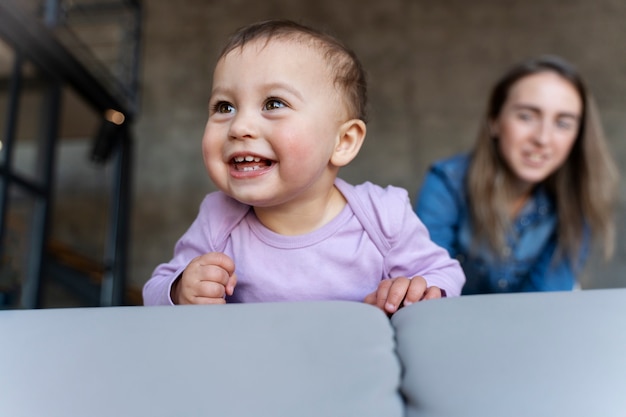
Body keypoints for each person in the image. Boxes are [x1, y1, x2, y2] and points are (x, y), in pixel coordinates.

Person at [143, 19, 465, 313]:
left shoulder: (383, 217)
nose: (239, 126)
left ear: (344, 142)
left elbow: (444, 275)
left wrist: (417, 291)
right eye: (224, 106)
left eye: (274, 104)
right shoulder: (218, 220)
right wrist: (180, 290)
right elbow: (153, 293)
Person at [415, 55, 618, 294]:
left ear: (578, 136)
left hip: (529, 326)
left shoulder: (578, 197)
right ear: (494, 121)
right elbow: (429, 283)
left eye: (563, 123)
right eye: (526, 116)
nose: (542, 139)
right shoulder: (447, 182)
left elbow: (545, 301)